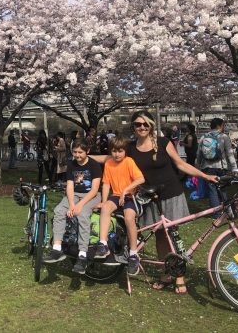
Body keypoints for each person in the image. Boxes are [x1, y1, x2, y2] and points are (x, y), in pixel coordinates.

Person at [94, 111, 218, 294]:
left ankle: (180, 276)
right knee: (160, 236)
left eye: (145, 124)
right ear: (133, 127)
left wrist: (204, 175)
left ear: (151, 125)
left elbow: (180, 164)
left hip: (170, 193)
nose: (141, 127)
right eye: (137, 124)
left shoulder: (163, 143)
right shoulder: (130, 148)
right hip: (148, 196)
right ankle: (166, 274)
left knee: (172, 234)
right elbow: (110, 159)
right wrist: (84, 157)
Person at [43, 138, 102, 274]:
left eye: (80, 152)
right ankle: (57, 248)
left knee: (82, 214)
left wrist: (79, 205)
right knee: (58, 211)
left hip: (91, 195)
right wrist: (71, 205)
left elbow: (94, 190)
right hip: (74, 195)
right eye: (75, 152)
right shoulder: (71, 164)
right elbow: (69, 186)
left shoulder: (94, 165)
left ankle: (82, 254)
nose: (77, 155)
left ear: (87, 151)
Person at [94, 137, 145, 275]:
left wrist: (126, 190)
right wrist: (104, 201)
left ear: (125, 151)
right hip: (116, 196)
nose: (117, 154)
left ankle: (134, 254)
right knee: (105, 208)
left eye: (120, 151)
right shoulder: (109, 163)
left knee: (129, 217)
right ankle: (103, 244)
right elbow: (106, 184)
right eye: (114, 151)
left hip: (130, 197)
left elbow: (141, 179)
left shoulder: (129, 161)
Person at [196, 118, 238, 214]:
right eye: (223, 125)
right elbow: (230, 154)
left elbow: (199, 154)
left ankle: (216, 213)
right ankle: (226, 210)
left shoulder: (203, 137)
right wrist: (234, 168)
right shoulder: (224, 137)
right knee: (222, 188)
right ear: (219, 126)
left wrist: (198, 167)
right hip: (221, 167)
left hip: (207, 168)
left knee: (212, 190)